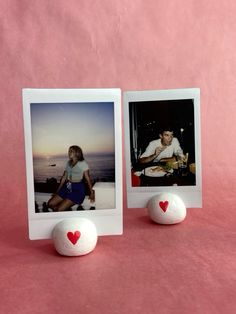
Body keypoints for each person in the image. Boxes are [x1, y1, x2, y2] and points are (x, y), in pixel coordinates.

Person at [47, 145, 95, 211]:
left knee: (59, 210)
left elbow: (88, 179)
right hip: (67, 187)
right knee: (50, 204)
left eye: (71, 151)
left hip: (77, 189)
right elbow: (64, 177)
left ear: (77, 153)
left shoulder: (82, 163)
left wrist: (91, 193)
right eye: (69, 151)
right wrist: (57, 191)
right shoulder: (68, 163)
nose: (69, 153)